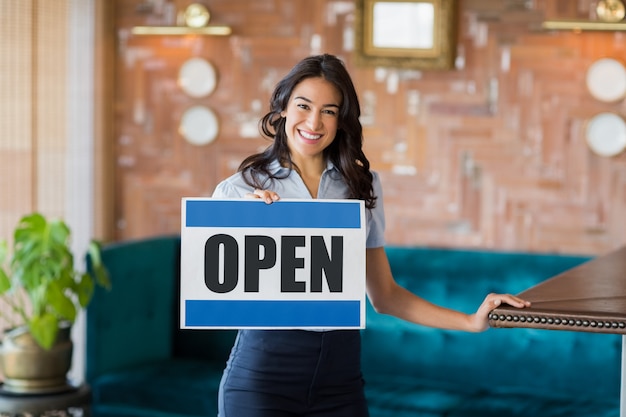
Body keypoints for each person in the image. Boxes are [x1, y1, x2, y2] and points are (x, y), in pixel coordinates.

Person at [211, 53, 530, 417]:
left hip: (340, 378)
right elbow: (216, 297)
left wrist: (471, 322)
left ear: (341, 121)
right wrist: (246, 228)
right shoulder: (239, 191)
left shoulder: (360, 185)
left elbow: (386, 296)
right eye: (303, 106)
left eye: (329, 111)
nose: (314, 121)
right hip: (262, 377)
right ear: (282, 107)